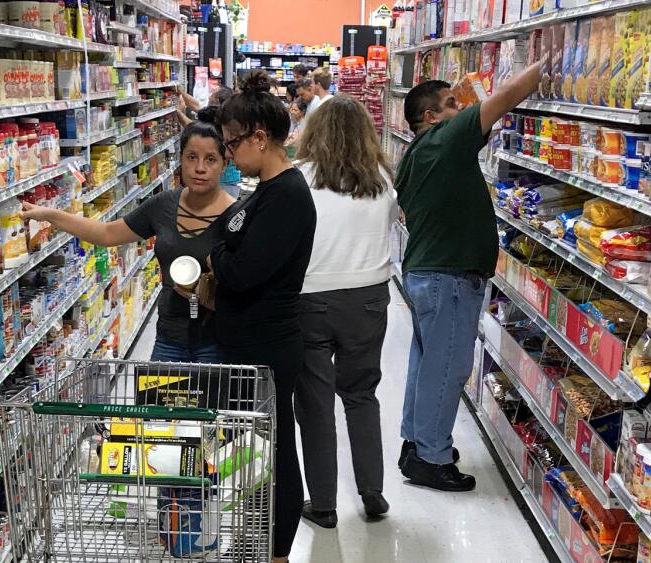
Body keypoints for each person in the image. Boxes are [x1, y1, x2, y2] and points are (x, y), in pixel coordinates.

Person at [396, 62, 541, 492]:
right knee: (448, 368)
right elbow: (509, 94)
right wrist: (552, 57)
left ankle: (417, 441)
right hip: (449, 278)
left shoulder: (416, 154)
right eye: (451, 104)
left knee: (426, 364)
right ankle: (431, 458)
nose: (460, 110)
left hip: (428, 274)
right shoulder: (445, 138)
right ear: (431, 117)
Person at [20, 122, 234, 363]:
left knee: (208, 401)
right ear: (181, 160)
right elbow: (107, 233)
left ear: (224, 164)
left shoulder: (236, 217)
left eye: (211, 160)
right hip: (169, 339)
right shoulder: (163, 206)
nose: (200, 168)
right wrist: (51, 215)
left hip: (215, 342)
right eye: (192, 157)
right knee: (157, 401)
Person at [212, 70, 316, 563]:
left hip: (268, 348)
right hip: (246, 344)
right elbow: (227, 236)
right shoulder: (264, 191)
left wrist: (217, 262)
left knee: (275, 455)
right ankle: (256, 541)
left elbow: (241, 272)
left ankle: (276, 552)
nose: (229, 155)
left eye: (232, 144)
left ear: (260, 137)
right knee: (252, 455)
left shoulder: (289, 195)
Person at [293, 95, 397, 528]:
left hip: (311, 299)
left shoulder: (299, 179)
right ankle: (372, 490)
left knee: (315, 406)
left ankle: (324, 504)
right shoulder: (382, 181)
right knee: (360, 394)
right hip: (369, 298)